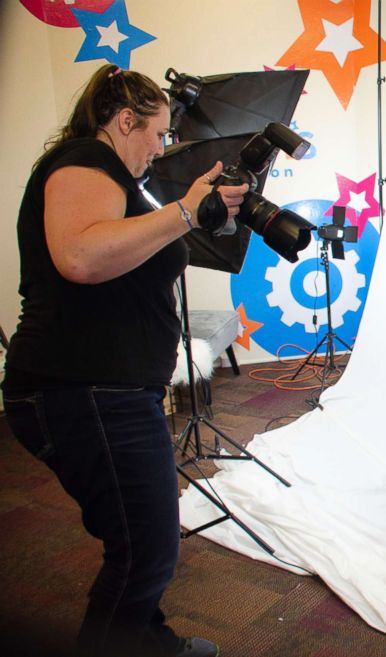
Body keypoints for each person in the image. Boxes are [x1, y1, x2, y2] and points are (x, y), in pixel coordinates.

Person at [1, 64, 247, 657]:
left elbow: (136, 254)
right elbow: (82, 257)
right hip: (82, 387)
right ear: (124, 119)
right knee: (147, 546)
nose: (161, 148)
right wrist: (184, 211)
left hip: (107, 388)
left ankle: (148, 639)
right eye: (157, 134)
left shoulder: (121, 180)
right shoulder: (86, 159)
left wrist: (209, 214)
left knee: (135, 537)